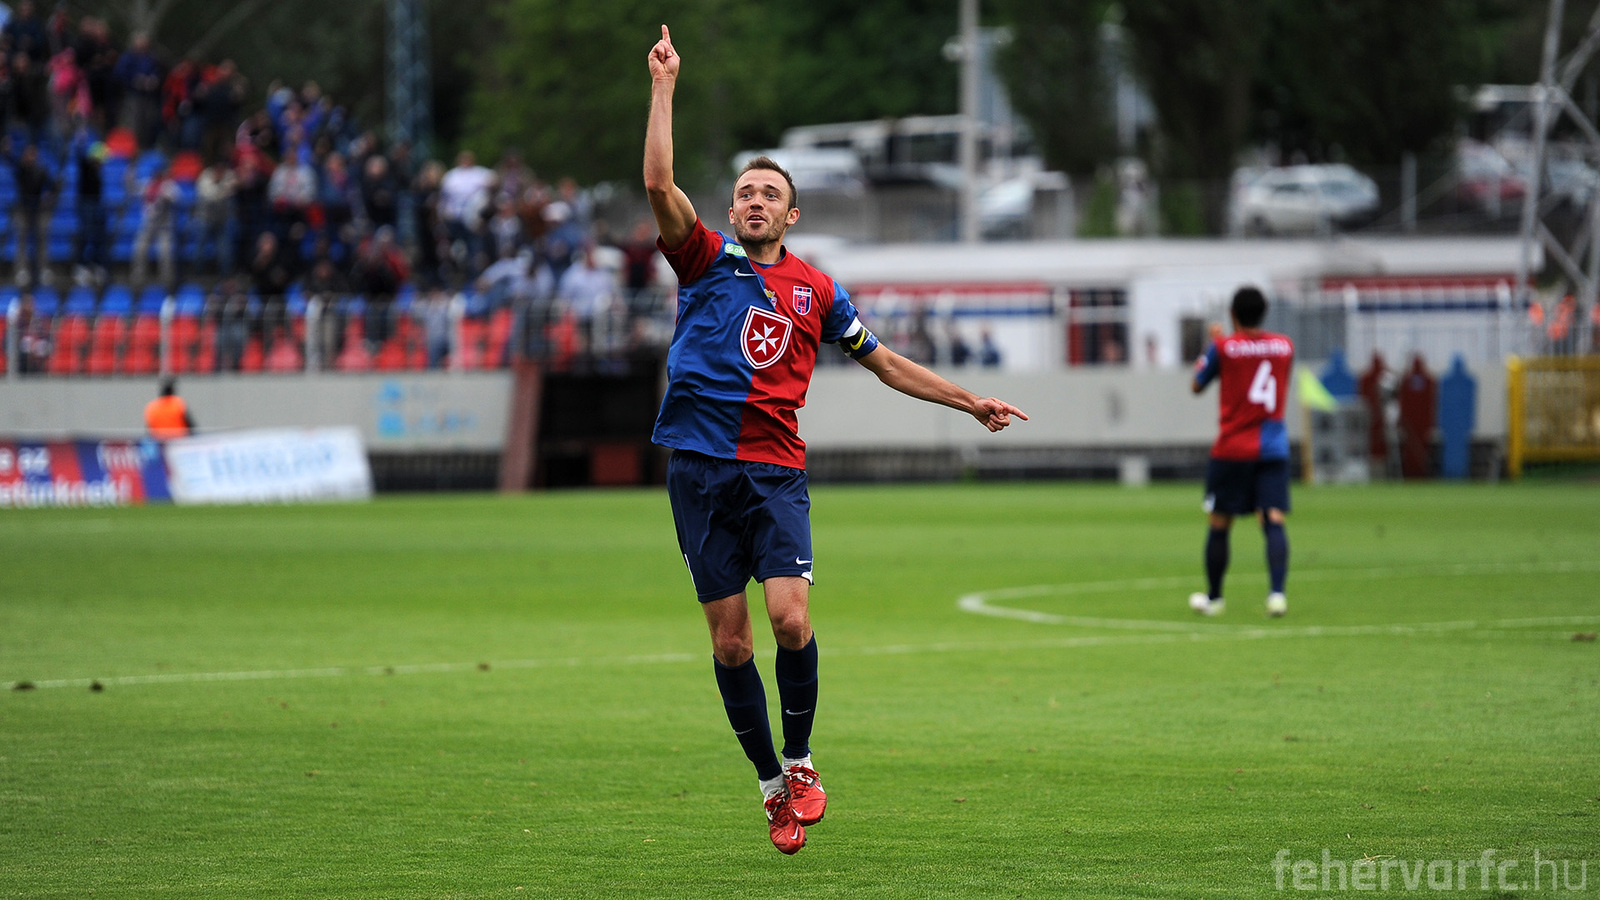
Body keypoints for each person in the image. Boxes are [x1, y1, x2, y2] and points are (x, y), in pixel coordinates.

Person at [644, 24, 1028, 856]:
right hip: (699, 473)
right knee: (731, 641)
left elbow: (883, 361)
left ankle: (801, 760)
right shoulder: (703, 261)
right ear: (732, 209)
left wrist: (968, 401)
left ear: (791, 214)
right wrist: (664, 85)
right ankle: (770, 788)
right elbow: (659, 182)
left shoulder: (818, 290)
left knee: (789, 622)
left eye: (768, 194)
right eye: (744, 192)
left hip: (774, 473)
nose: (753, 201)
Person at [1187, 286, 1294, 618]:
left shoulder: (1224, 347)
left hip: (1233, 448)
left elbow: (1197, 384)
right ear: (1264, 313)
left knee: (1220, 521)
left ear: (1233, 314)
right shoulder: (1284, 346)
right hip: (1273, 446)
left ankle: (1215, 599)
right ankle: (1277, 596)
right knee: (1272, 517)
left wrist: (1211, 346)